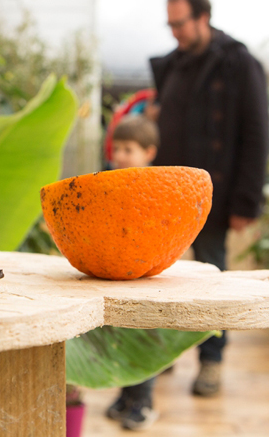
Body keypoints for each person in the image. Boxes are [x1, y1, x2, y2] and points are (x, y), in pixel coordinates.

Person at [150, 0, 269, 394]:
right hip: (165, 193)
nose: (174, 33)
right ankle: (157, 354)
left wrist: (246, 200)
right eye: (170, 24)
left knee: (210, 278)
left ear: (203, 17)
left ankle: (212, 362)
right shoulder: (171, 66)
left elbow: (257, 135)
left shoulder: (238, 63)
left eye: (179, 23)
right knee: (155, 277)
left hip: (213, 195)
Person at [105, 114, 161, 431]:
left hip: (147, 276)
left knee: (144, 337)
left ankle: (145, 401)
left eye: (129, 149)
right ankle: (126, 395)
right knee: (122, 335)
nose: (121, 156)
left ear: (148, 153)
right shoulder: (112, 184)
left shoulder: (156, 186)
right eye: (117, 148)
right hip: (120, 272)